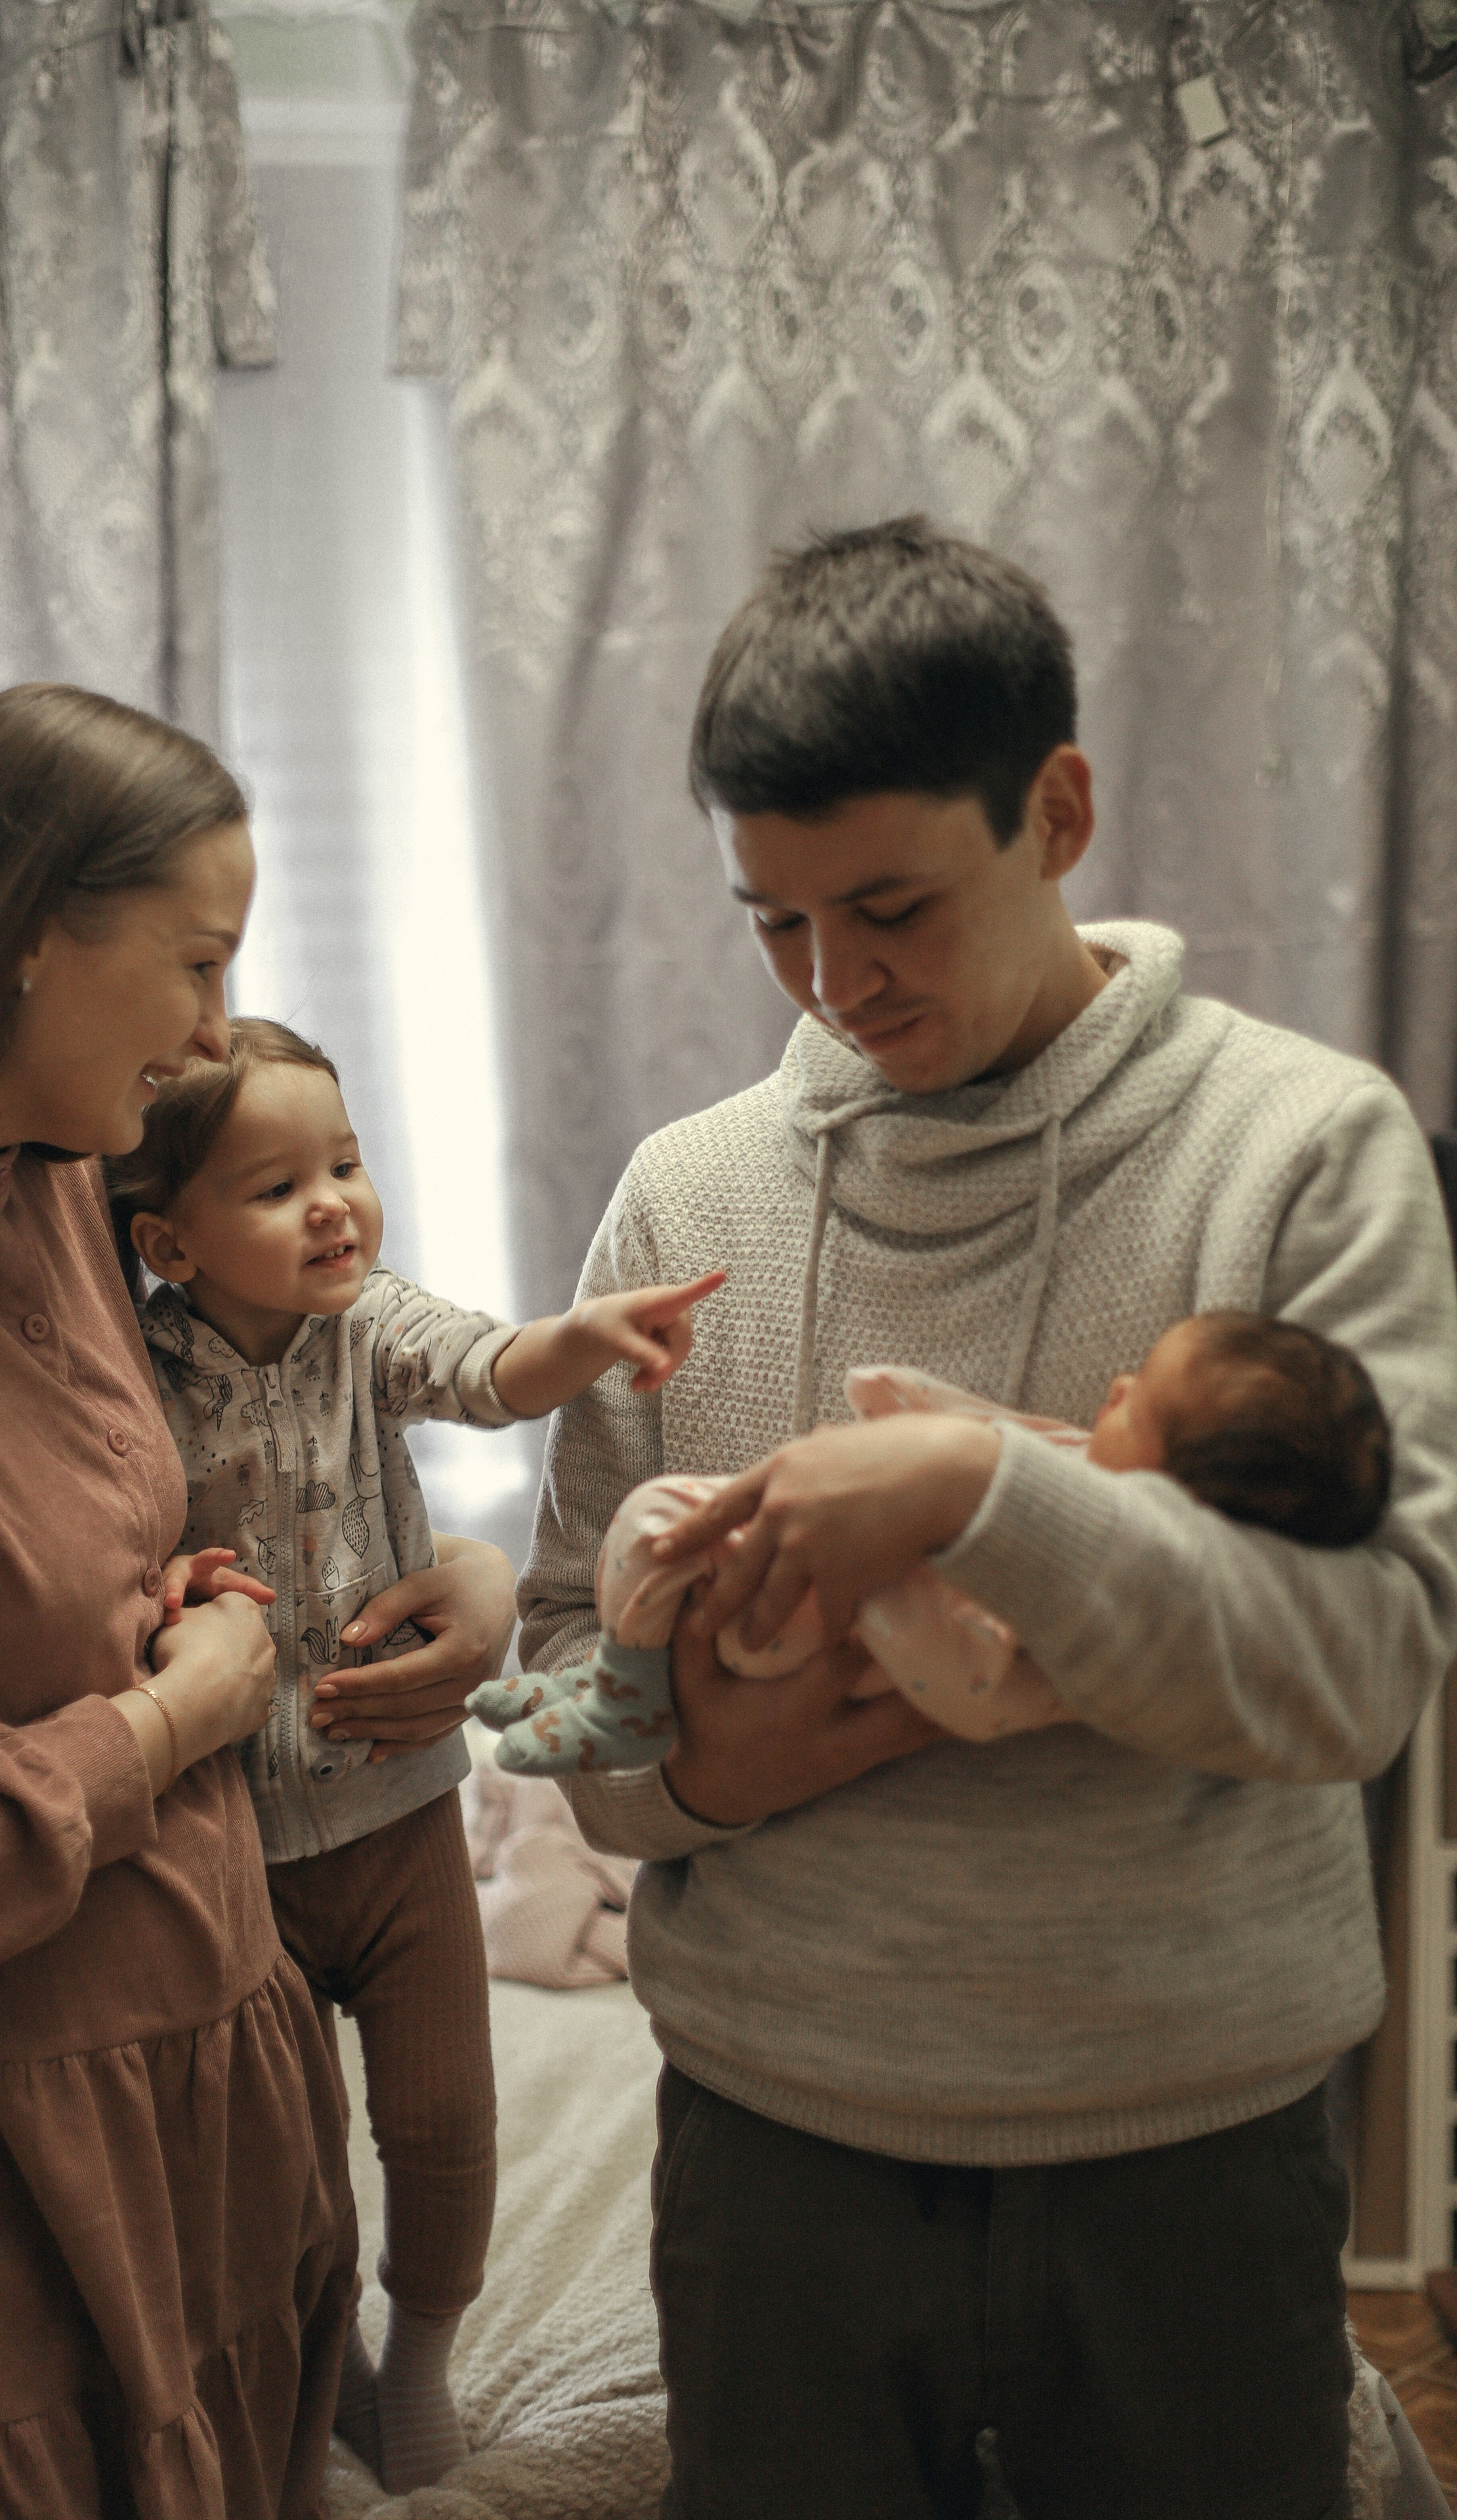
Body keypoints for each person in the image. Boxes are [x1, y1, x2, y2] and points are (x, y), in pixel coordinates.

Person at [516, 518, 1457, 2520]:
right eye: (775, 923)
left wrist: (982, 1486)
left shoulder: (1306, 1152)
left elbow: (1360, 1681)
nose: (838, 984)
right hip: (777, 2154)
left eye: (892, 908)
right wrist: (716, 1774)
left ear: (1061, 811)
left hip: (1191, 2155)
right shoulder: (689, 1199)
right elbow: (561, 1691)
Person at [0, 683, 518, 2520]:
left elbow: (136, 1523)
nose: (213, 1028)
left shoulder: (67, 1186)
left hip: (214, 2114)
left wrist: (451, 1584)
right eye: (197, 964)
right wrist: (182, 1711)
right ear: (31, 936)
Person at [106, 1015, 721, 2492]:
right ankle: (332, 2373)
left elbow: (488, 1369)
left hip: (396, 1818)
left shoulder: (364, 1324)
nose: (331, 1202)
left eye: (345, 1162)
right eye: (274, 1186)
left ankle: (426, 2354)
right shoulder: (132, 1376)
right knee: (286, 2166)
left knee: (441, 2122)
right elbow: (105, 1554)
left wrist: (583, 1340)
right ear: (169, 1248)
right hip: (233, 1841)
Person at [477, 1311, 1393, 1769]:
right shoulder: (1083, 1466)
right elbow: (989, 1437)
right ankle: (614, 1685)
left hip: (801, 1626)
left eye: (1138, 1403)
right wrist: (921, 1425)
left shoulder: (1079, 1620)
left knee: (661, 1523)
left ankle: (630, 1702)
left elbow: (971, 1691)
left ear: (1183, 1506)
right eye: (784, 925)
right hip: (748, 2040)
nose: (1113, 1388)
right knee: (650, 1527)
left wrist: (880, 1568)